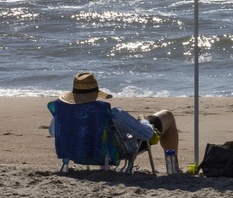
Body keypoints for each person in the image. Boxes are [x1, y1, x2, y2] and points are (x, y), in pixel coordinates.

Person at [51, 72, 180, 171]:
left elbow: (52, 132)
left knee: (101, 135)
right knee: (167, 115)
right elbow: (146, 134)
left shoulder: (64, 114)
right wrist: (143, 120)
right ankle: (173, 168)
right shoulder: (111, 113)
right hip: (117, 151)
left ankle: (105, 165)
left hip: (77, 154)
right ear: (96, 93)